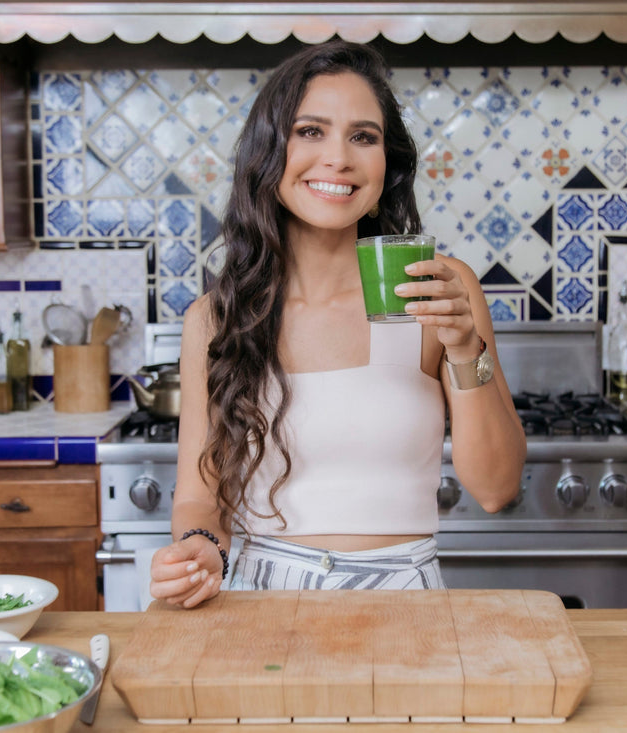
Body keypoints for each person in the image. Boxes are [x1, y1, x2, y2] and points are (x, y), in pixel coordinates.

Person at [150, 40, 526, 608]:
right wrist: (200, 548)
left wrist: (463, 345)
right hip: (259, 601)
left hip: (403, 599)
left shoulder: (437, 290)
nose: (339, 158)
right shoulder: (216, 319)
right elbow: (200, 500)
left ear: (386, 163)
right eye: (310, 131)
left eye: (363, 136)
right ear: (269, 153)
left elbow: (497, 489)